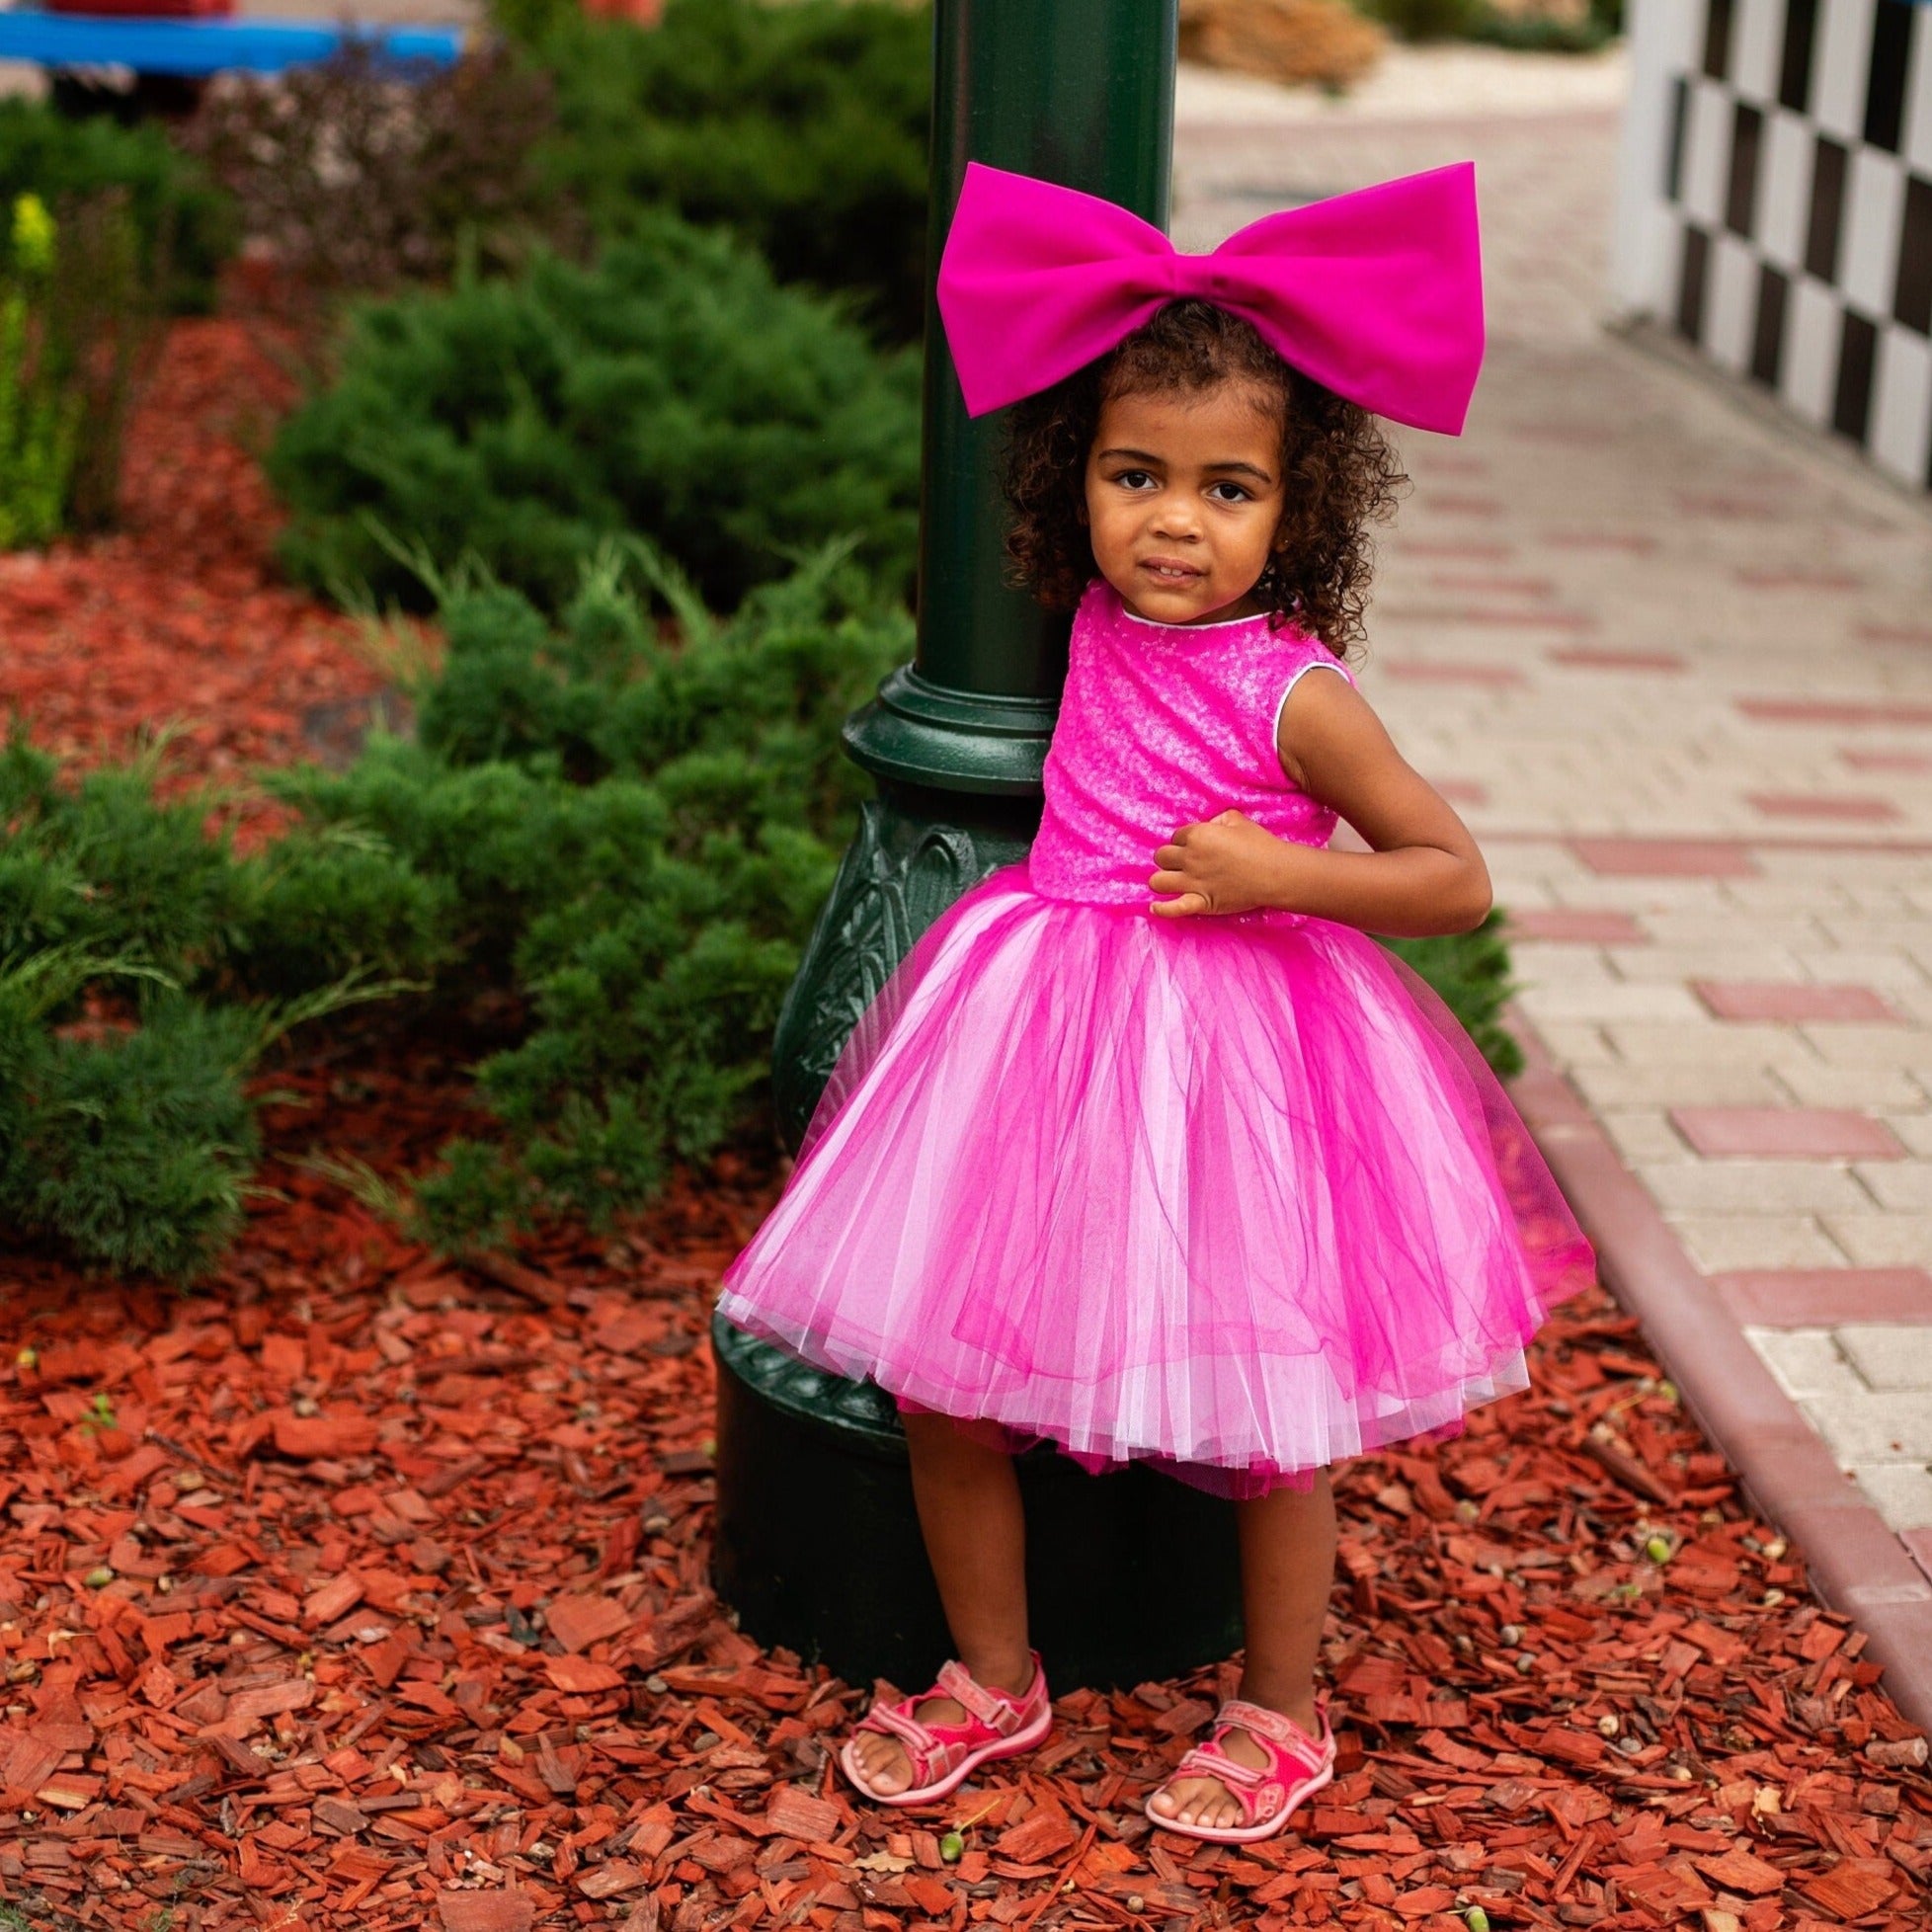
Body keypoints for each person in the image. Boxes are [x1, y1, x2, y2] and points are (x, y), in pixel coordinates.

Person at [715, 161, 1594, 1844]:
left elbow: (1451, 875)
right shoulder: (1098, 620)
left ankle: (1278, 1705)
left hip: (1229, 1070)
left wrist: (1288, 876)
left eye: (1228, 489)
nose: (1175, 520)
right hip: (1032, 1031)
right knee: (945, 1376)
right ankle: (994, 1673)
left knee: (1265, 1414)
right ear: (1078, 483)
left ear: (1297, 513)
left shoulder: (1296, 695)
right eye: (1136, 476)